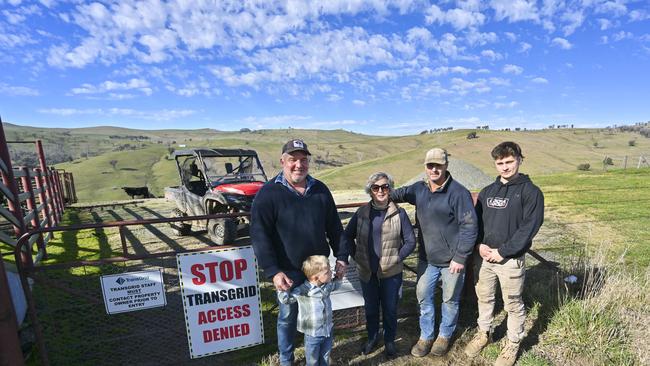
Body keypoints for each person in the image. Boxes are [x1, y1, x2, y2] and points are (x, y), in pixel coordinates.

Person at [250, 138, 348, 366]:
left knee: (318, 316)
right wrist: (273, 271)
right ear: (282, 161)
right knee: (287, 317)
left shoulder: (320, 190)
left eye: (303, 160)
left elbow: (335, 227)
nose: (298, 165)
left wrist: (342, 257)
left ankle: (316, 359)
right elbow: (259, 234)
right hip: (288, 272)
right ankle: (286, 360)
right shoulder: (268, 193)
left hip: (318, 271)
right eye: (293, 160)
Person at [390, 147, 478, 358]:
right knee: (424, 296)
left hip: (452, 262)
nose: (434, 169)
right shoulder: (419, 189)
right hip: (427, 259)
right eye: (430, 166)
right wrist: (381, 195)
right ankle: (426, 335)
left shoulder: (459, 193)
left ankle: (444, 336)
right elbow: (398, 193)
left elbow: (469, 226)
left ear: (446, 166)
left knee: (450, 300)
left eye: (438, 165)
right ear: (426, 168)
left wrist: (460, 257)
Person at [464, 141, 544, 366]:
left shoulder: (531, 193)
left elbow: (529, 227)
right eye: (500, 163)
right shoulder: (488, 192)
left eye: (509, 162)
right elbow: (477, 223)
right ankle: (483, 333)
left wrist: (504, 252)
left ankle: (512, 344)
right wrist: (478, 245)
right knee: (485, 297)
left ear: (519, 159)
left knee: (512, 303)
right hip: (484, 257)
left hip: (510, 260)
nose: (505, 167)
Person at [341, 172, 416, 358]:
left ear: (390, 189)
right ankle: (372, 338)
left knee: (390, 309)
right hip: (368, 272)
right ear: (370, 191)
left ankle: (389, 340)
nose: (381, 191)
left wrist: (397, 258)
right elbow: (347, 236)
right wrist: (356, 256)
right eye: (376, 187)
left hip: (391, 273)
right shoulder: (362, 213)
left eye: (385, 187)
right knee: (371, 308)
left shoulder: (399, 213)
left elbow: (410, 241)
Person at [278, 255, 341, 366]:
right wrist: (284, 289)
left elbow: (336, 285)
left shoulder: (327, 286)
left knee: (325, 358)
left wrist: (339, 277)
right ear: (315, 278)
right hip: (313, 334)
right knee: (312, 361)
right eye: (327, 272)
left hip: (327, 330)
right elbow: (286, 300)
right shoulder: (304, 290)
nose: (331, 273)